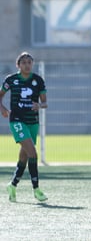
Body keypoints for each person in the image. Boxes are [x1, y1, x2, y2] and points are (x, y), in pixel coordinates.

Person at [0, 52, 48, 202]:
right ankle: (36, 189)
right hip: (17, 121)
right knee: (33, 154)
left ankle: (13, 185)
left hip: (32, 122)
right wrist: (2, 108)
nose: (27, 65)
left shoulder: (38, 80)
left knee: (24, 156)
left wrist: (38, 105)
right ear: (18, 65)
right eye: (24, 62)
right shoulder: (11, 80)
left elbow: (45, 103)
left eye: (29, 62)